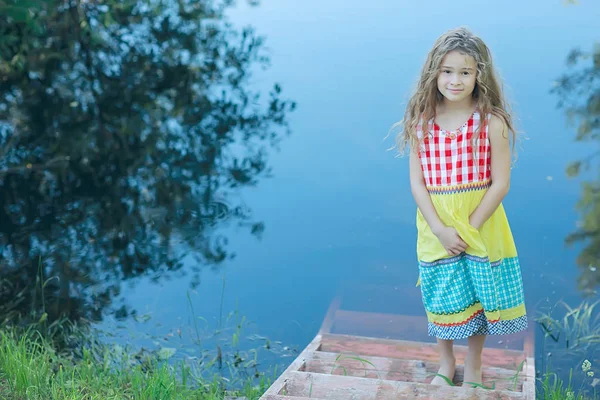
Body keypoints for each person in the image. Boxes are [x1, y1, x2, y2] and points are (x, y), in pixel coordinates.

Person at [395, 27, 528, 387]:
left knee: (478, 297)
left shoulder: (491, 123)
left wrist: (470, 226)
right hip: (436, 225)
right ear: (433, 73)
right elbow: (417, 183)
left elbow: (500, 183)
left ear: (478, 75)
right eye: (447, 71)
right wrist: (440, 228)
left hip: (481, 223)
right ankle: (444, 360)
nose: (455, 80)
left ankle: (474, 362)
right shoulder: (421, 122)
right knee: (441, 295)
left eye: (465, 72)